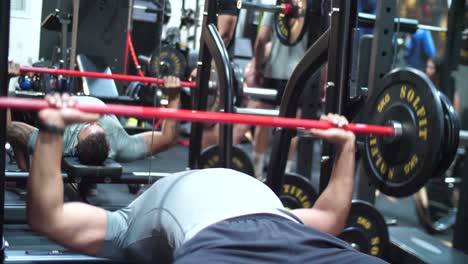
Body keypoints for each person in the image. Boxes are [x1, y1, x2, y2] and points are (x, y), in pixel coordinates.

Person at [26, 93, 386, 263]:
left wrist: (347, 145)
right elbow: (50, 218)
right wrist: (51, 130)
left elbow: (330, 219)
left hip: (296, 240)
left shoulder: (126, 150)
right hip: (217, 246)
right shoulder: (129, 221)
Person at [6, 62, 182, 170]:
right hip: (80, 101)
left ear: (75, 144)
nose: (93, 118)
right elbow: (168, 138)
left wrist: (5, 80)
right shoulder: (120, 145)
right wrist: (174, 96)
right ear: (108, 145)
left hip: (58, 106)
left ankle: (23, 172)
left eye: (89, 125)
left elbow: (8, 129)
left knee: (16, 127)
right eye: (99, 124)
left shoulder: (59, 142)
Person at [249, 5, 309, 179]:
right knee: (292, 124)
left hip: (273, 72)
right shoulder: (311, 8)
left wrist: (258, 67)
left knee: (264, 123)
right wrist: (321, 81)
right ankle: (284, 175)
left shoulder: (278, 4)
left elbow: (261, 39)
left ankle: (258, 174)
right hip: (299, 74)